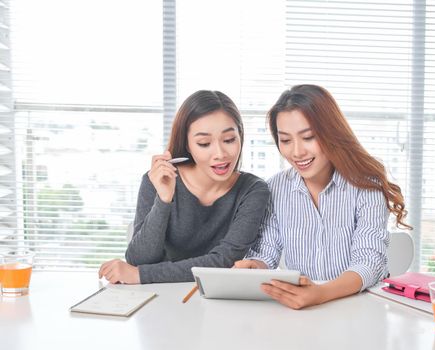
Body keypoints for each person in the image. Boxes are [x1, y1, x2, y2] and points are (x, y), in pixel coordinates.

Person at [235, 84, 411, 309]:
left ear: (331, 133)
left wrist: (320, 293)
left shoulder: (366, 187)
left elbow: (369, 263)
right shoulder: (275, 188)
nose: (297, 152)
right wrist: (255, 267)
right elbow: (268, 253)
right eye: (286, 140)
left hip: (360, 309)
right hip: (302, 309)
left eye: (308, 137)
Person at [99, 90, 270, 284]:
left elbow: (224, 261)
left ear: (240, 136)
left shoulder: (253, 190)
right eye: (204, 143)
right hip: (159, 297)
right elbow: (138, 259)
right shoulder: (158, 179)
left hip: (219, 298)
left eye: (229, 140)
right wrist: (163, 200)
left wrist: (141, 275)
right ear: (188, 144)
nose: (220, 154)